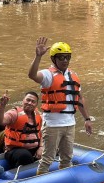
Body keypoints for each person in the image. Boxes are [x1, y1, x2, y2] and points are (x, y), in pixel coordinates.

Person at [28, 36, 93, 174]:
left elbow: (79, 99)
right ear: (54, 59)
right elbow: (32, 75)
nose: (65, 60)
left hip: (70, 124)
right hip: (52, 125)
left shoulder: (73, 75)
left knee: (67, 158)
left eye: (67, 57)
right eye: (61, 57)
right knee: (47, 159)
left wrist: (87, 119)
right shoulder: (47, 75)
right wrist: (38, 56)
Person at [0, 91, 43, 168]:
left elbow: (42, 132)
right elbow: (0, 121)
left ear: (36, 104)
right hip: (15, 149)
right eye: (28, 100)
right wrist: (2, 106)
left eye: (33, 102)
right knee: (25, 156)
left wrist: (41, 147)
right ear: (23, 100)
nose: (30, 103)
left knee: (53, 148)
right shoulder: (14, 113)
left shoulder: (38, 115)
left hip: (35, 148)